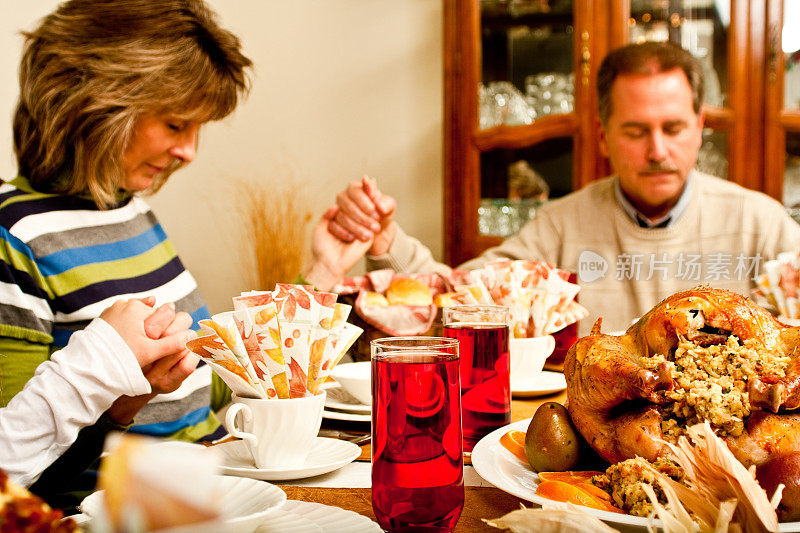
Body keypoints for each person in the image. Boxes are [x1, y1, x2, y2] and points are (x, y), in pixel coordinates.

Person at [1, 0, 367, 506]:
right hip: (141, 513)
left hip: (216, 483)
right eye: (176, 125)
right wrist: (118, 408)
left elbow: (200, 388)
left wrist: (322, 272)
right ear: (93, 104)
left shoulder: (131, 212)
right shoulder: (14, 236)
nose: (189, 151)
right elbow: (15, 484)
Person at [326, 41, 800, 334]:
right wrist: (388, 242)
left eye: (673, 128)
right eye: (636, 131)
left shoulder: (760, 225)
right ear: (602, 136)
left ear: (700, 127)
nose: (657, 150)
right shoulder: (561, 226)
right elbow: (460, 298)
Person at [0, 298, 196, 488]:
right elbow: (15, 476)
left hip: (201, 462)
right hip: (111, 490)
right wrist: (105, 355)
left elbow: (203, 390)